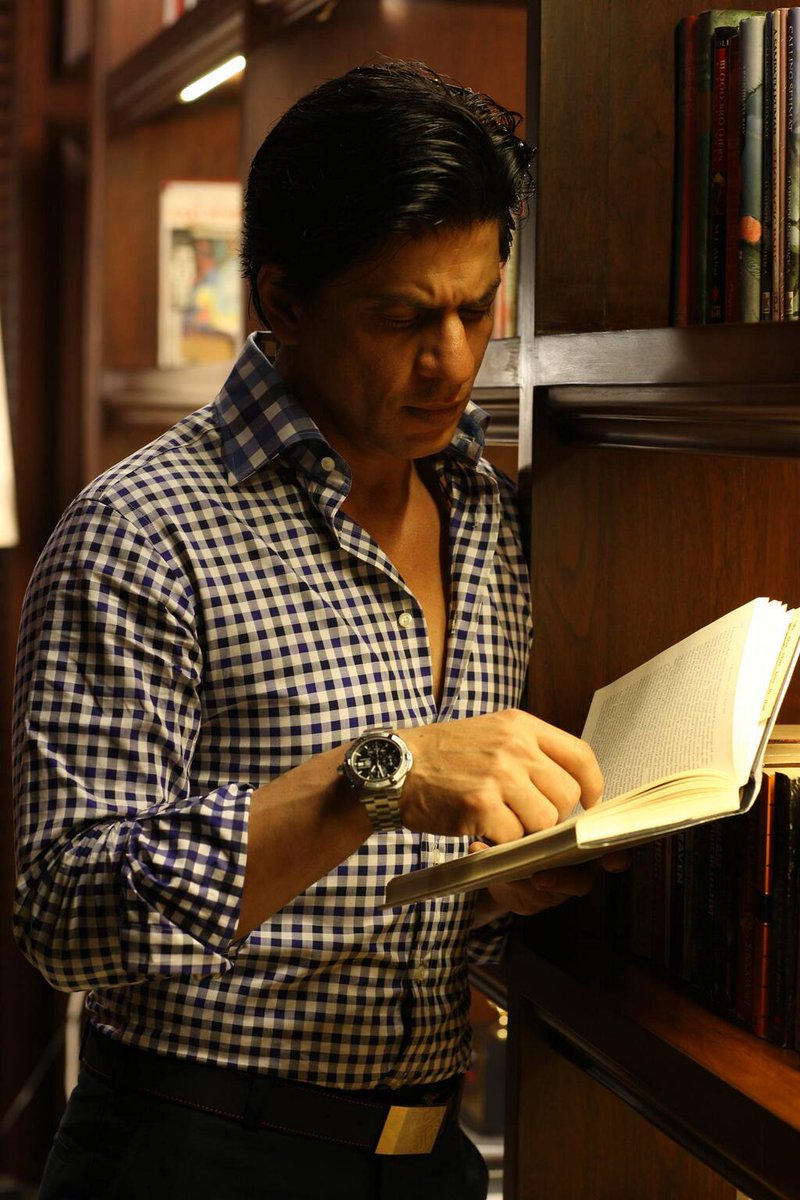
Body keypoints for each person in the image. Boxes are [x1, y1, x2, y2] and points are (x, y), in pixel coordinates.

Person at [12, 60, 610, 1200]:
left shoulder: (493, 515)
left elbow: (412, 892)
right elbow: (65, 917)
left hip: (429, 1154)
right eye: (402, 318)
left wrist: (504, 886)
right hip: (198, 1152)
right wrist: (377, 777)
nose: (452, 360)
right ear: (283, 302)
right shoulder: (141, 529)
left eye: (477, 308)